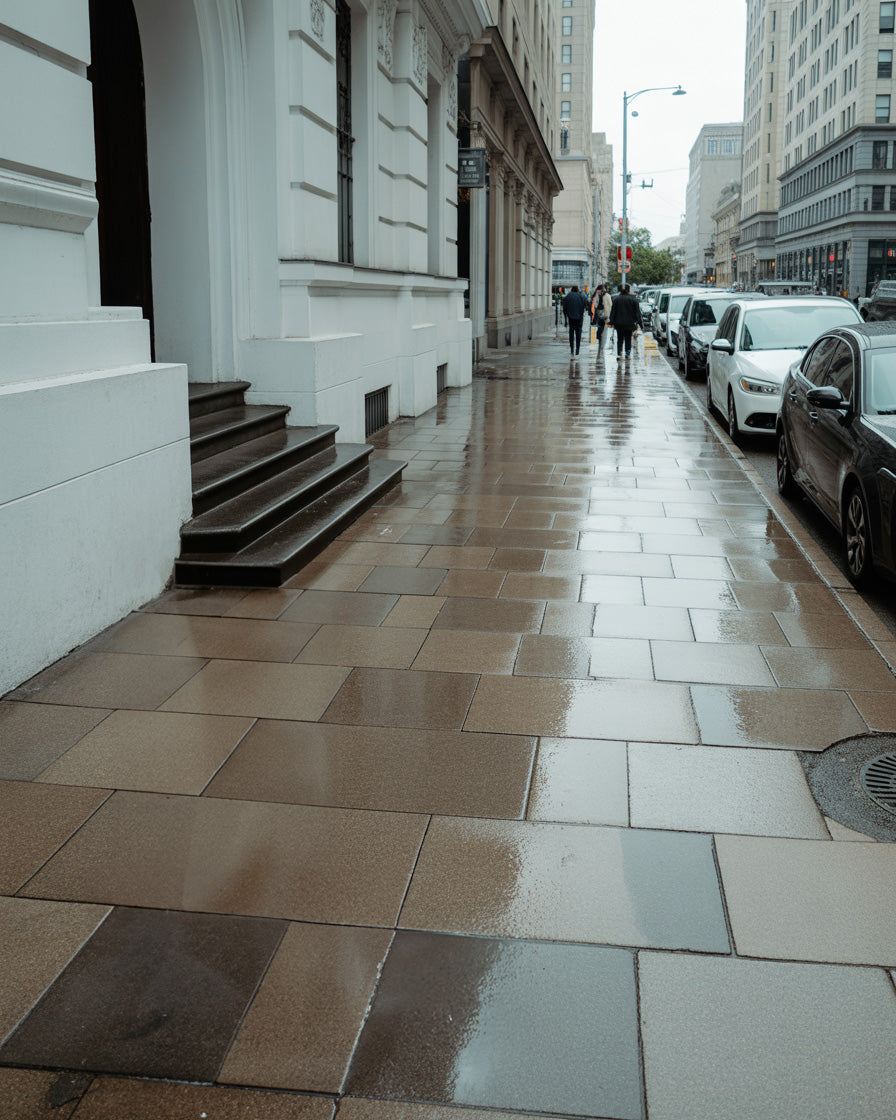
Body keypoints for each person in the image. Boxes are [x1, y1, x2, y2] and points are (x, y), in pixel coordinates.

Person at [608, 283, 643, 360]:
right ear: (629, 290)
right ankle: (628, 353)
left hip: (619, 323)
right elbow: (637, 313)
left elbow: (613, 312)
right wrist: (640, 323)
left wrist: (611, 322)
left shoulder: (616, 299)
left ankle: (619, 353)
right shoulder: (633, 299)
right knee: (628, 338)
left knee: (620, 338)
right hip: (629, 323)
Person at [561, 285, 589, 357]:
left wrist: (566, 317)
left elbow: (564, 305)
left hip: (571, 318)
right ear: (577, 290)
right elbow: (587, 303)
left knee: (571, 334)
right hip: (579, 318)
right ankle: (577, 350)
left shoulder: (568, 296)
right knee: (578, 334)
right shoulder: (581, 296)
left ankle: (572, 350)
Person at [590, 284, 612, 350]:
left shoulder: (607, 296)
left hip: (606, 314)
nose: (598, 292)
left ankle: (603, 341)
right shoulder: (596, 296)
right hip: (599, 314)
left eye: (599, 291)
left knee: (604, 328)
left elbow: (610, 305)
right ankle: (600, 339)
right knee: (600, 328)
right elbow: (594, 304)